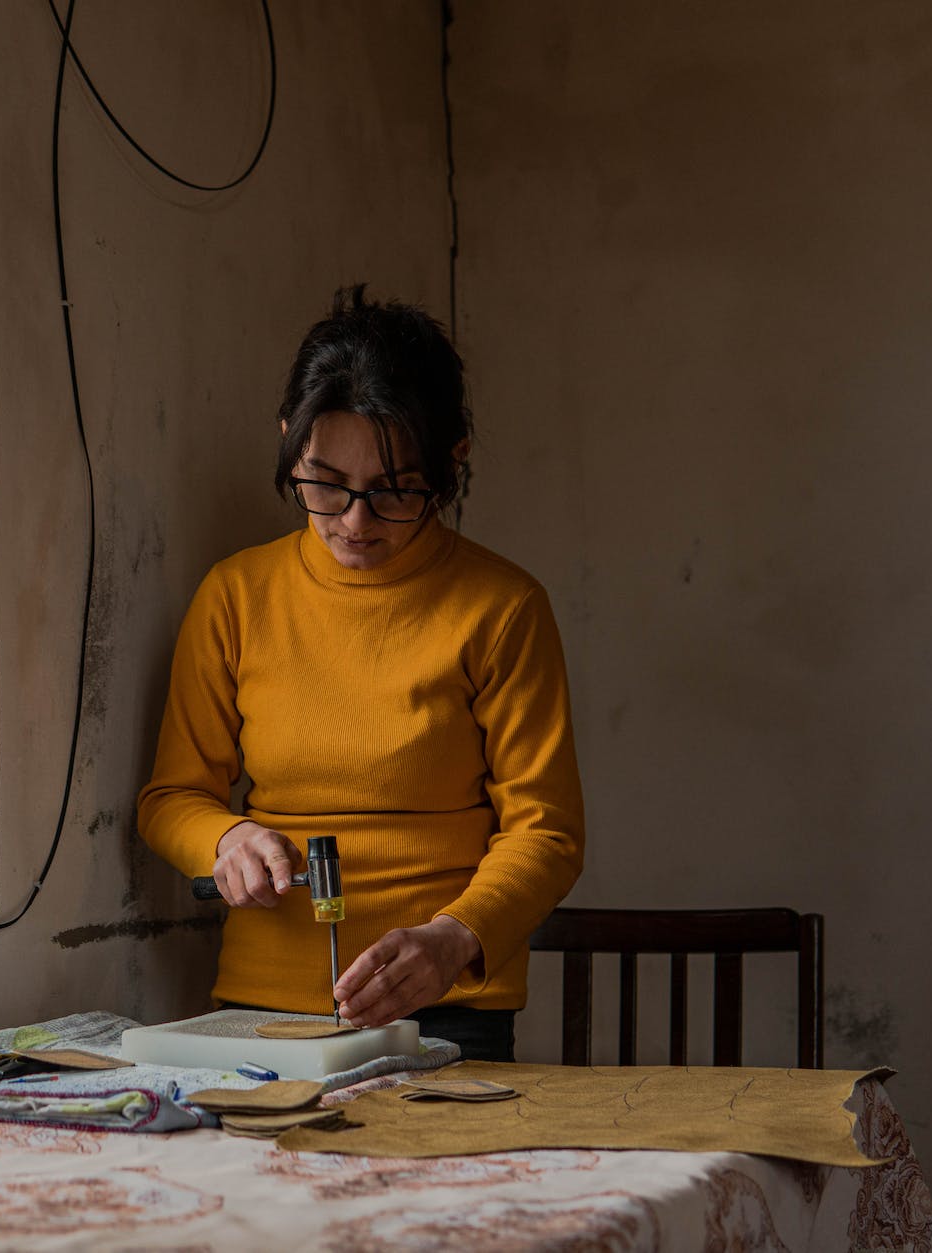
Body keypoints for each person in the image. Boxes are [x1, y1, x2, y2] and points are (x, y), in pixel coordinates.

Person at [135, 285, 584, 1062]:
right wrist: (227, 838)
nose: (354, 520)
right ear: (289, 441)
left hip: (446, 1008)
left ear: (451, 465)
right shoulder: (236, 597)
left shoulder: (502, 609)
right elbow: (172, 798)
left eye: (394, 490)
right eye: (324, 483)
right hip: (261, 1008)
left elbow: (545, 830)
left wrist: (452, 940)